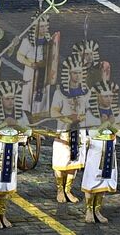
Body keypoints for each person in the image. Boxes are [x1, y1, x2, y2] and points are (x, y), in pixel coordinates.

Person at [0, 81, 31, 229]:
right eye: (6, 99)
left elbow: (29, 131)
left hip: (12, 148)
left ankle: (3, 214)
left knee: (6, 184)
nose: (9, 102)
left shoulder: (20, 112)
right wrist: (4, 123)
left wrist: (16, 125)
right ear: (1, 100)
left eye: (12, 98)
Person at [49, 53, 90, 205]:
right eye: (74, 72)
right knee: (61, 160)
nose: (77, 75)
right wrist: (67, 119)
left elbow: (91, 111)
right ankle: (60, 189)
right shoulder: (60, 92)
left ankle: (68, 190)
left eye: (79, 72)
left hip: (79, 131)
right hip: (64, 129)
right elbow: (54, 111)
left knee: (74, 161)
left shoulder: (86, 93)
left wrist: (82, 118)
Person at [82, 82, 120, 224]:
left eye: (110, 96)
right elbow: (93, 132)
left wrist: (111, 125)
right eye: (105, 96)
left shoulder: (116, 111)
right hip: (96, 150)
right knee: (92, 180)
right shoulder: (92, 112)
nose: (108, 99)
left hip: (109, 150)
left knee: (103, 181)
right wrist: (108, 124)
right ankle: (88, 210)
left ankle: (97, 210)